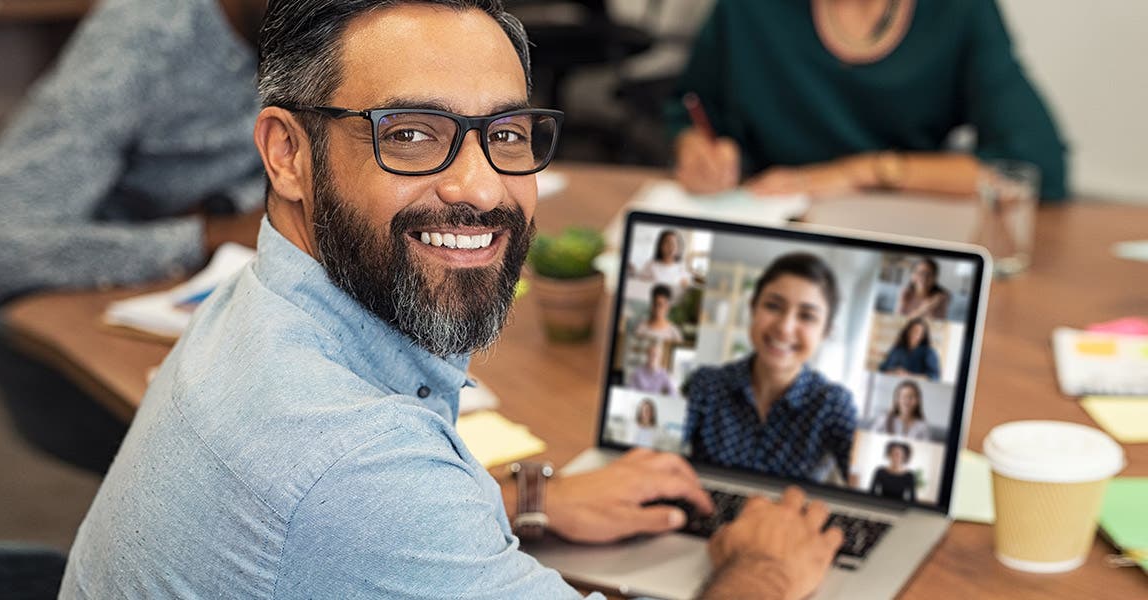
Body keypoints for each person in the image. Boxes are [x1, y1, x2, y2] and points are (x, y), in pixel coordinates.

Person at [60, 2, 843, 598]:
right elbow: (356, 501)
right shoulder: (356, 467)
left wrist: (529, 501)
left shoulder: (253, 306)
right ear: (287, 154)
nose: (479, 186)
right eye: (410, 133)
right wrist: (763, 570)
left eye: (505, 133)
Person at [0, 0, 270, 306]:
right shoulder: (144, 36)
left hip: (188, 283)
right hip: (47, 311)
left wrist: (231, 206)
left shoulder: (296, 37)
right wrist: (207, 237)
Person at [668, 0, 1068, 201]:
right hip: (767, 219)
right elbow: (687, 107)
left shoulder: (959, 11)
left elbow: (1038, 169)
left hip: (899, 229)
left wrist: (860, 172)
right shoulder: (748, 9)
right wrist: (693, 147)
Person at [684, 252, 857, 483]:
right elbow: (653, 455)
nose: (785, 328)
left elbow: (871, 483)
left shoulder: (833, 404)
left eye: (806, 316)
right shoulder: (705, 385)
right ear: (753, 308)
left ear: (825, 332)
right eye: (773, 306)